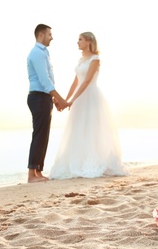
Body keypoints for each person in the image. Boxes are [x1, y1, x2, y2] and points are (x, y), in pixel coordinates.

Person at [49, 32, 128, 179]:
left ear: (89, 41)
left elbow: (86, 82)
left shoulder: (95, 59)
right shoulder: (80, 59)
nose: (77, 42)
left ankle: (92, 163)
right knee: (78, 129)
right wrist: (65, 100)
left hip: (91, 98)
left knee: (91, 130)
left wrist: (71, 101)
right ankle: (78, 162)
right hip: (79, 98)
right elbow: (76, 81)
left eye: (80, 40)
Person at [26, 24, 68, 183]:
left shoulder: (44, 53)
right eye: (50, 34)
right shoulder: (37, 53)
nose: (52, 37)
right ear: (41, 35)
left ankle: (37, 172)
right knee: (39, 134)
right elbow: (44, 81)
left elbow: (48, 80)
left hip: (44, 97)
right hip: (38, 97)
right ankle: (31, 175)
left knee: (43, 135)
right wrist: (61, 99)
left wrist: (54, 99)